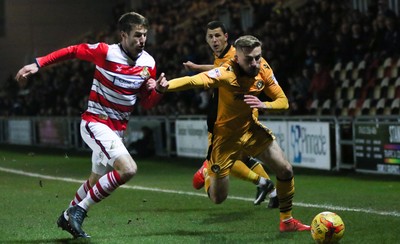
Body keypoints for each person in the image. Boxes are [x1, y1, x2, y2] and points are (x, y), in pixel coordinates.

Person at [15, 12, 168, 238]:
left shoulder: (149, 64)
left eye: (145, 35)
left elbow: (146, 103)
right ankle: (79, 210)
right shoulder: (106, 52)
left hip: (117, 131)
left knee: (95, 181)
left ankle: (67, 217)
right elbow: (73, 51)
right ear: (124, 35)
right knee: (128, 169)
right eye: (137, 35)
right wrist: (39, 63)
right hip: (95, 122)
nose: (142, 40)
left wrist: (158, 91)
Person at [157, 35, 310, 232]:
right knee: (218, 198)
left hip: (250, 129)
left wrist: (265, 104)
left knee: (285, 170)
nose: (255, 63)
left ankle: (287, 221)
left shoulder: (263, 67)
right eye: (249, 59)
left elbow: (283, 100)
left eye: (258, 57)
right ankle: (207, 169)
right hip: (225, 138)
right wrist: (166, 87)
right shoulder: (226, 73)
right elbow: (193, 81)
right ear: (237, 58)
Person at [183, 21, 278, 208]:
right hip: (232, 114)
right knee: (241, 157)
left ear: (226, 36)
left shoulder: (236, 54)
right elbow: (217, 67)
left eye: (218, 35)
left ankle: (261, 182)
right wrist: (196, 67)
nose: (214, 40)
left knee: (225, 158)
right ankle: (273, 192)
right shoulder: (223, 57)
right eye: (210, 36)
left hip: (232, 117)